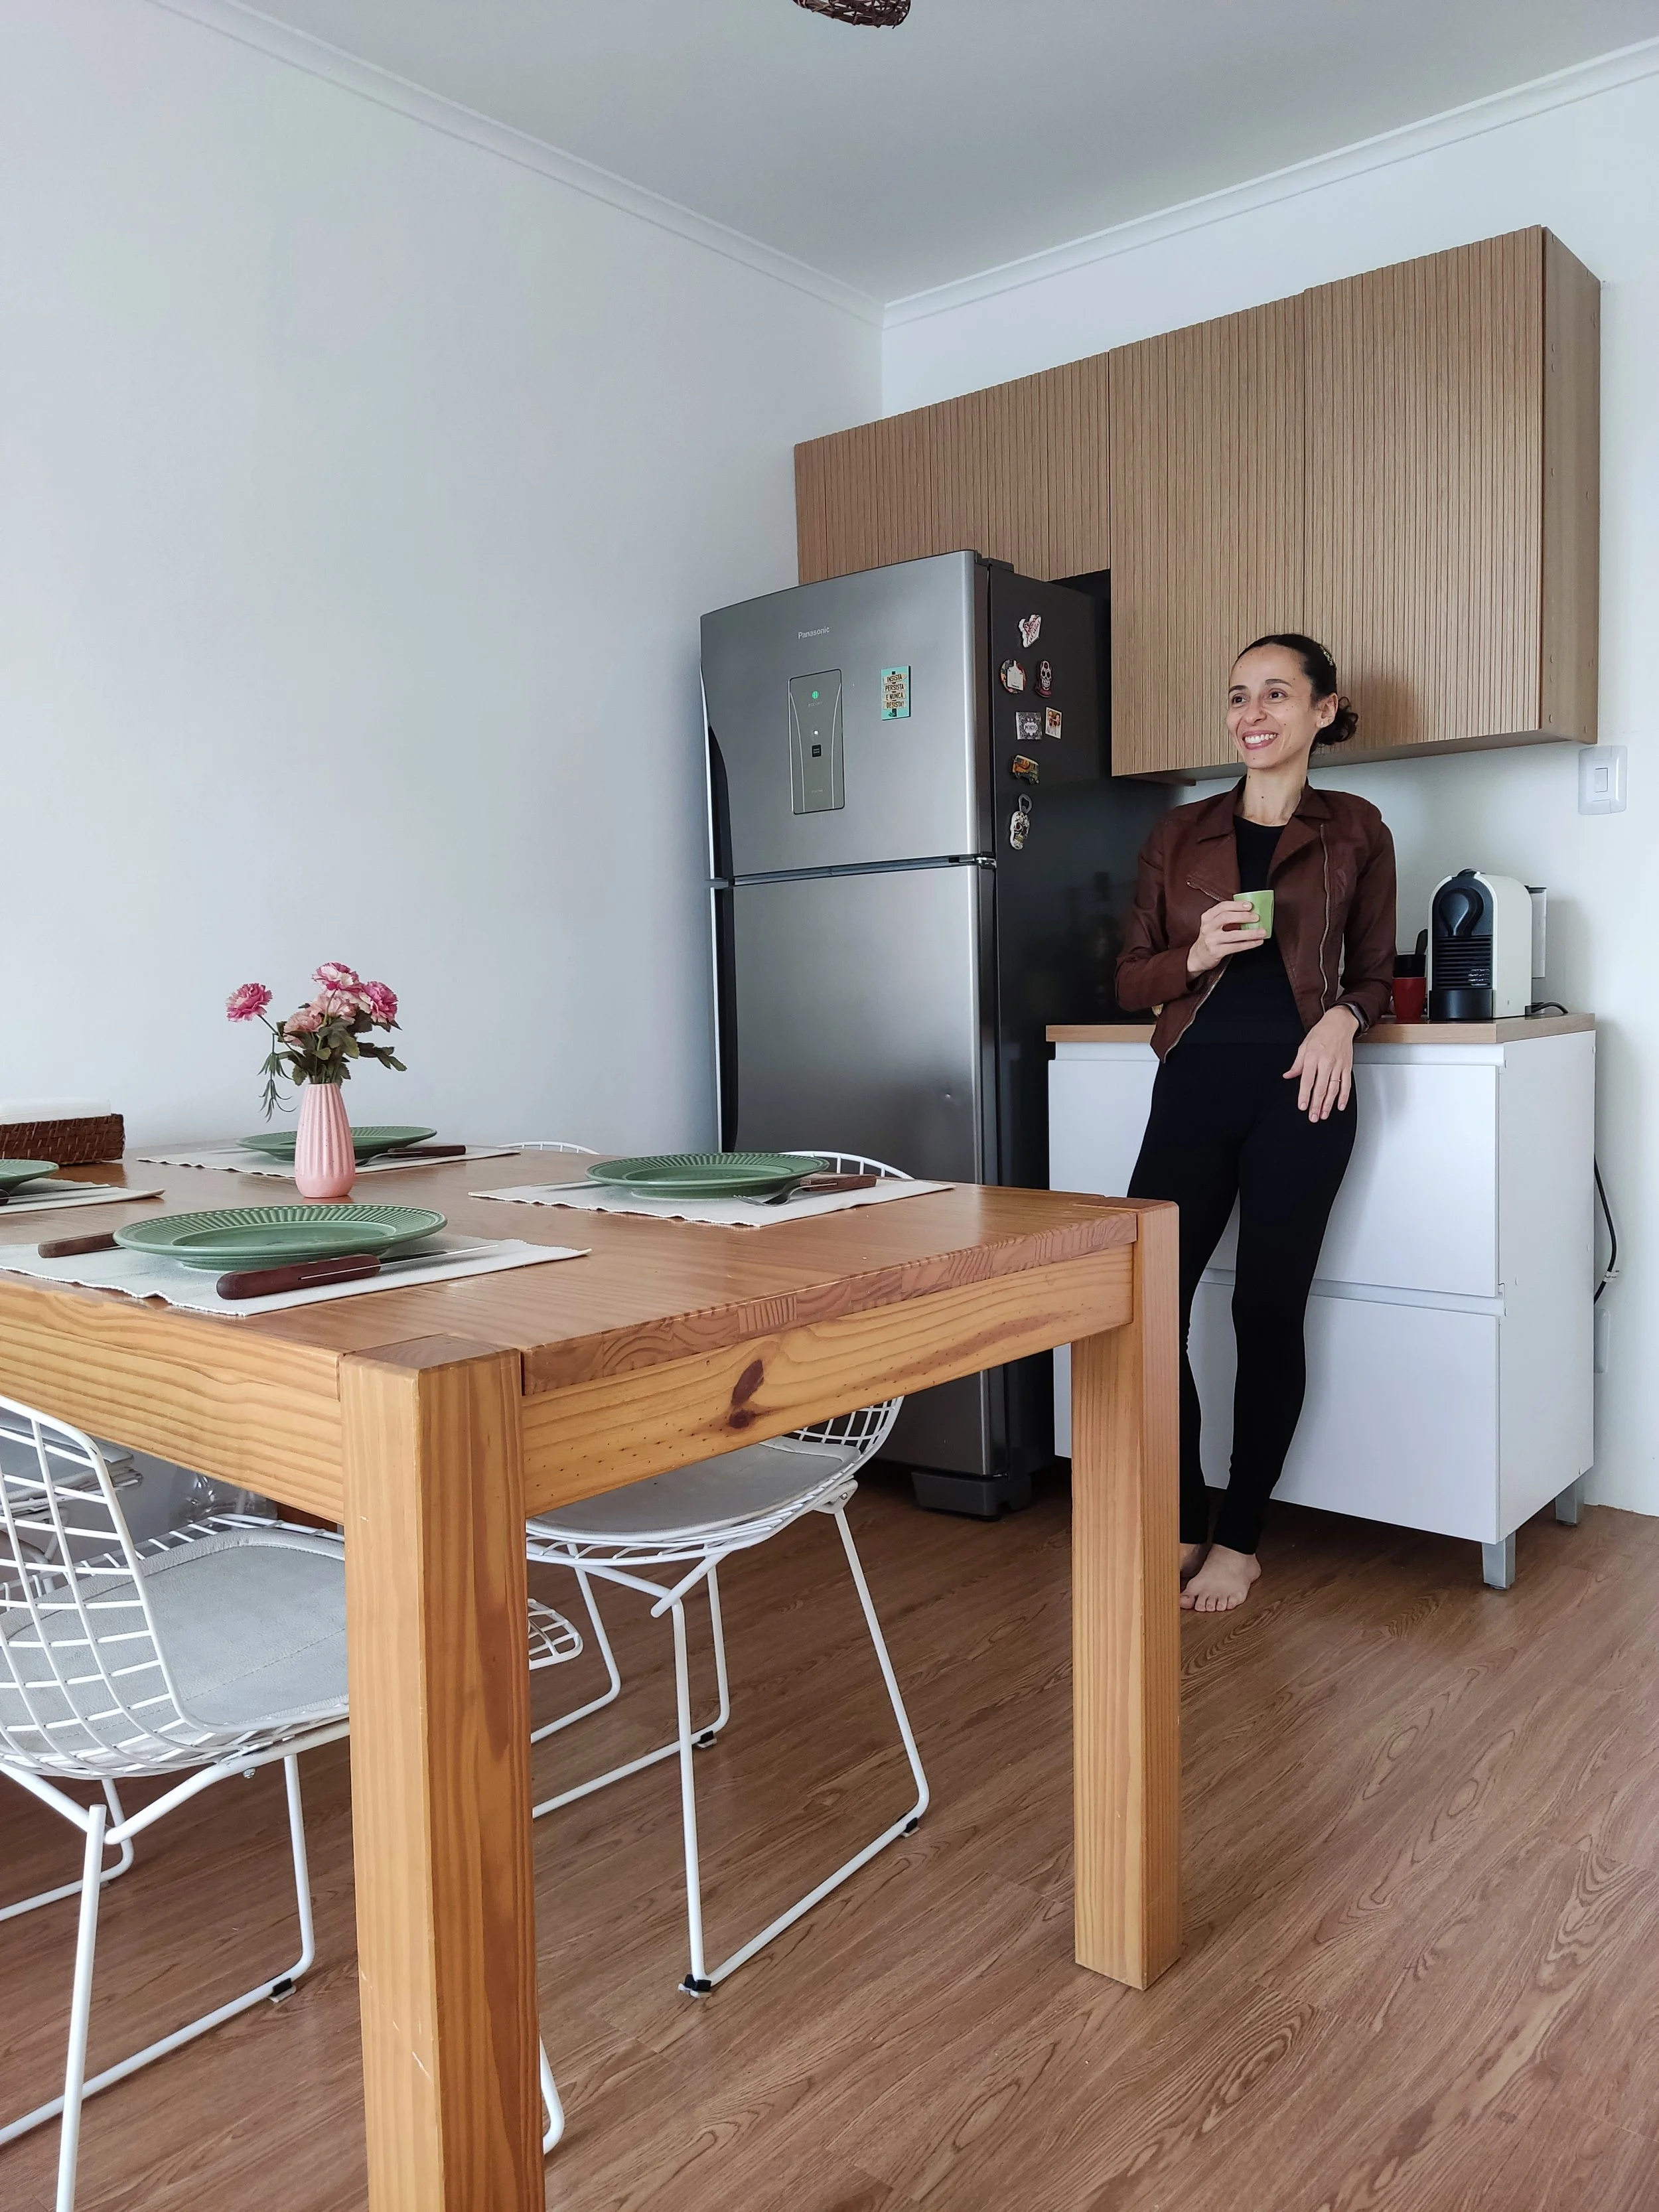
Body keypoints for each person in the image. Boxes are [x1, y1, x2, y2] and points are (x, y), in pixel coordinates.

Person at [1116, 634, 1396, 1613]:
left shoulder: (1357, 826)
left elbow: (1372, 972)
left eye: (1277, 694)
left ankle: (1241, 1537)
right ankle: (1186, 1514)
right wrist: (1192, 956)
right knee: (1148, 1307)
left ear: (1324, 711)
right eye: (1239, 696)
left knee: (1263, 1312)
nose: (1253, 714)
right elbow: (1129, 978)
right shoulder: (1178, 832)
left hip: (1302, 1092)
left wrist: (1342, 1020)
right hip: (1195, 1084)